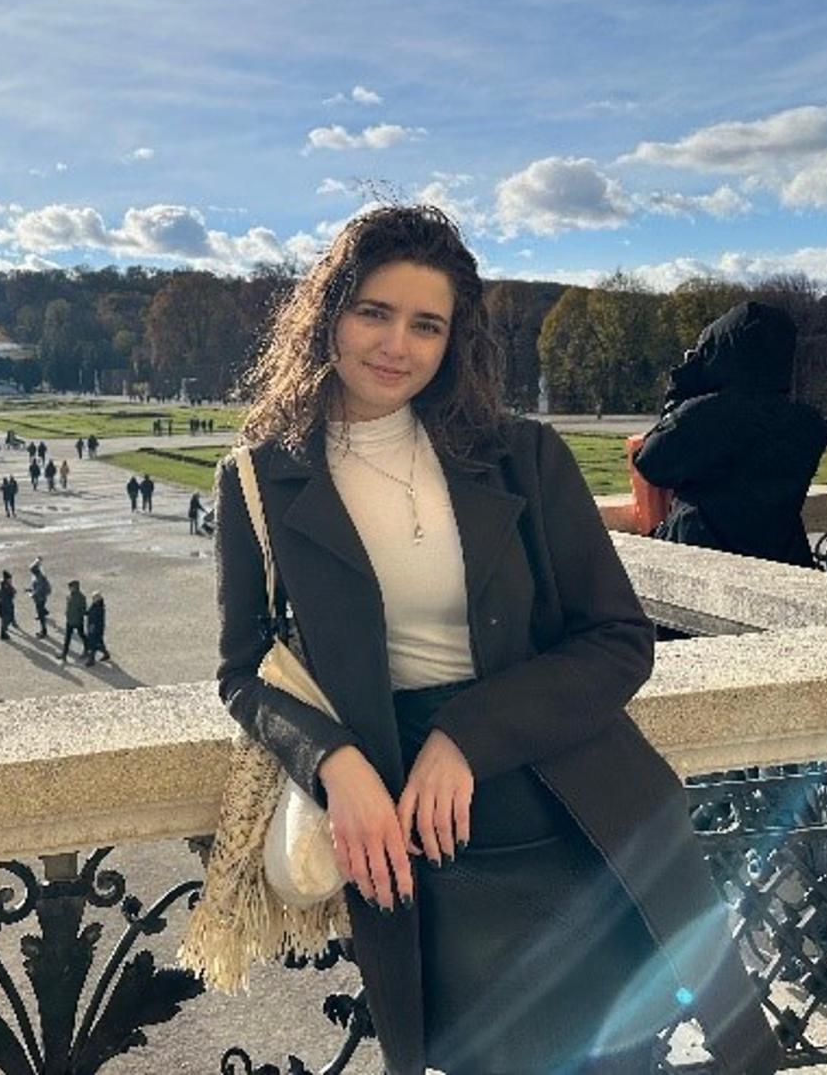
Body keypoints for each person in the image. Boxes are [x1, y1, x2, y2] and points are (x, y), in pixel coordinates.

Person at [213, 204, 780, 1075]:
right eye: (373, 312)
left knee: (615, 1055)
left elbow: (619, 638)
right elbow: (243, 670)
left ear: (455, 339)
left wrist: (463, 736)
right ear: (327, 314)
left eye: (426, 324)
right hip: (413, 837)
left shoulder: (524, 454)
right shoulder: (256, 477)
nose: (396, 344)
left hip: (566, 805)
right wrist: (332, 760)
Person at [632, 301, 827, 566]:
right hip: (782, 559)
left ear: (722, 353)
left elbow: (651, 463)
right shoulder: (807, 422)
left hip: (706, 560)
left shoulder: (706, 415)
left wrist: (681, 391)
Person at [60, 579, 88, 661]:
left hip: (77, 620)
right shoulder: (69, 596)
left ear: (75, 587)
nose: (69, 588)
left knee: (81, 635)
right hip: (70, 620)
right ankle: (64, 654)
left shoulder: (81, 598)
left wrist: (79, 616)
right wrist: (67, 613)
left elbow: (83, 610)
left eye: (71, 587)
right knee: (67, 638)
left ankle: (87, 648)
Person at [28, 558, 52, 637]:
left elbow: (38, 590)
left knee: (41, 615)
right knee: (41, 611)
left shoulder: (38, 578)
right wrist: (30, 589)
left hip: (40, 598)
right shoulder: (39, 576)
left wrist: (31, 594)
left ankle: (43, 631)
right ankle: (44, 613)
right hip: (42, 597)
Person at [85, 590, 109, 663]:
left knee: (93, 644)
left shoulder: (100, 608)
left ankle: (91, 660)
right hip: (92, 627)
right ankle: (106, 653)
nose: (93, 599)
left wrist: (95, 629)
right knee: (99, 643)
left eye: (94, 598)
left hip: (96, 628)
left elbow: (98, 621)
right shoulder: (94, 605)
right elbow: (90, 612)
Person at [0, 570, 18, 640]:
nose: (11, 581)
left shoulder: (6, 586)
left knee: (6, 620)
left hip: (7, 606)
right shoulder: (5, 588)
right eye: (9, 579)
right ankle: (3, 634)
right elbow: (11, 593)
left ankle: (4, 632)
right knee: (5, 621)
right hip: (6, 607)